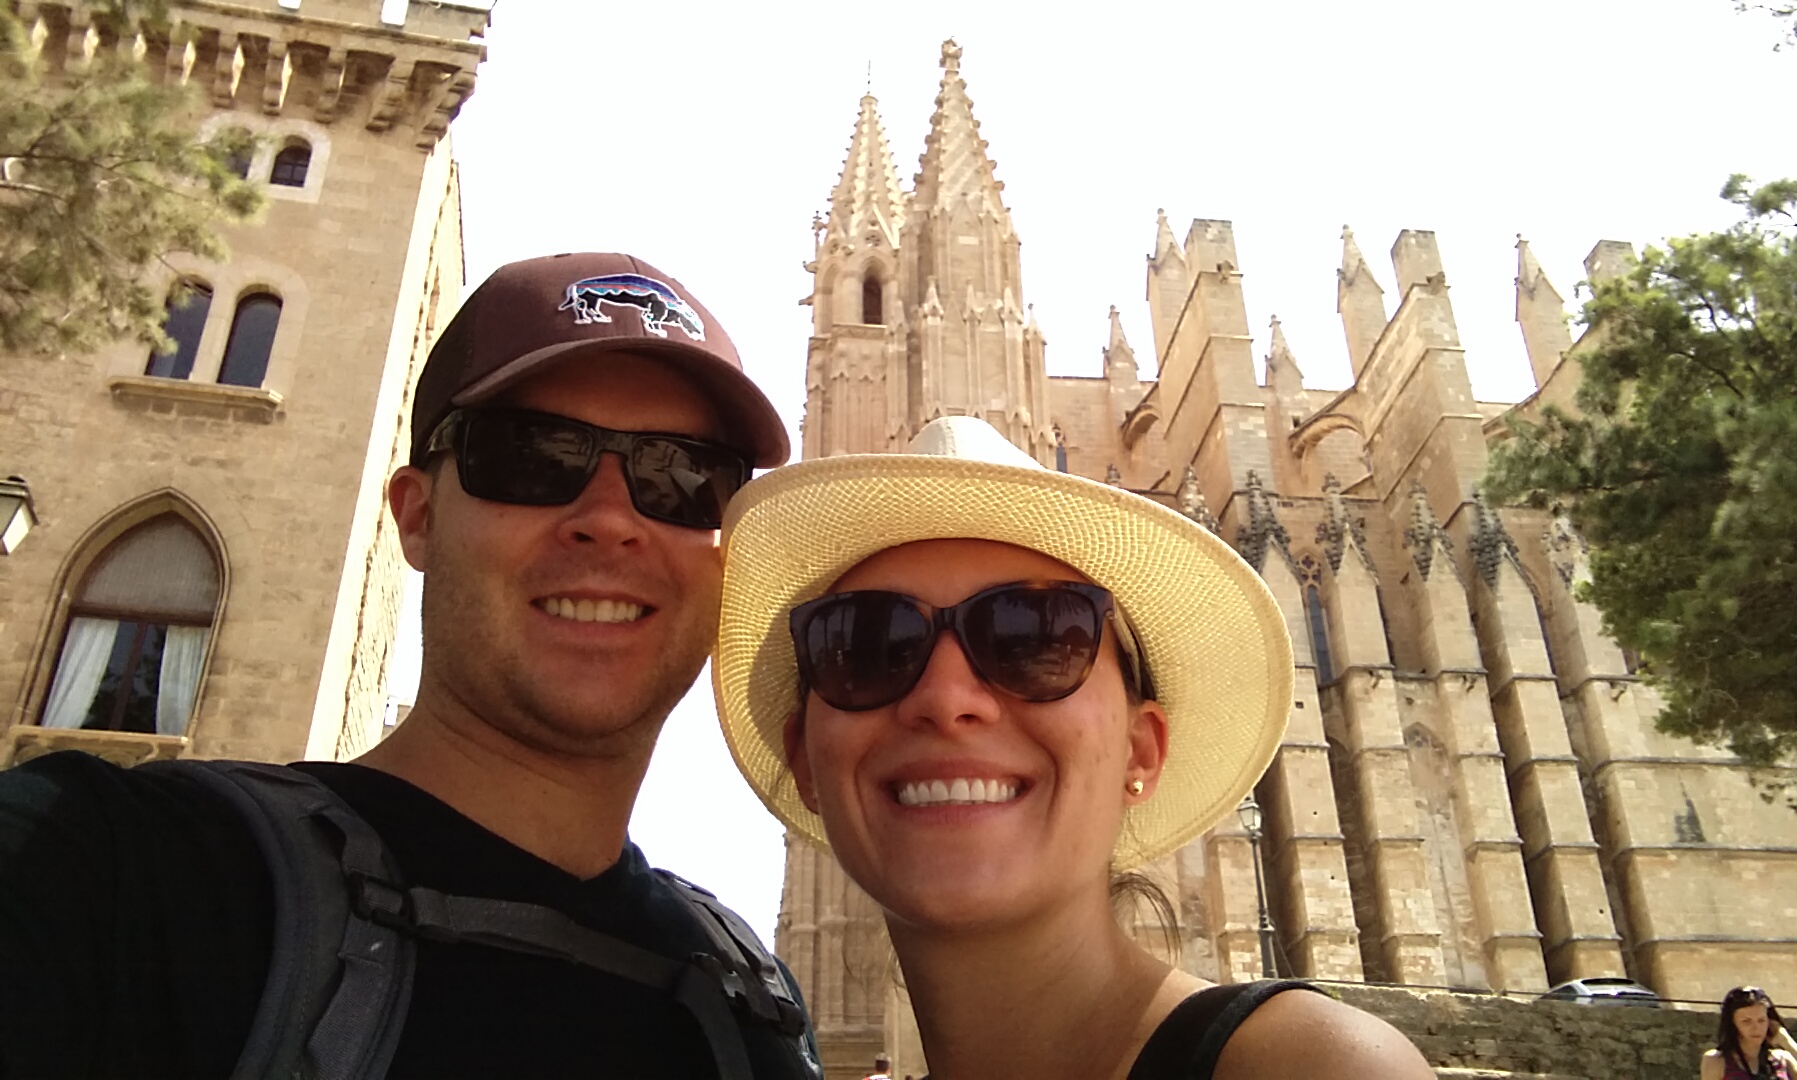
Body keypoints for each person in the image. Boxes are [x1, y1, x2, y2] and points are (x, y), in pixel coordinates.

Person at [0, 252, 818, 1079]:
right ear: (417, 516)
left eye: (683, 475)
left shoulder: (755, 1009)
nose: (609, 519)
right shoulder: (107, 876)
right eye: (534, 456)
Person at [713, 416, 1432, 1079]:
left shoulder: (1308, 1066)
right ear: (805, 759)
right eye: (867, 645)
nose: (946, 697)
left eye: (1034, 636)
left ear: (1140, 750)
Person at [1701, 985, 1797, 1080]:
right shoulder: (1717, 1061)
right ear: (1733, 1024)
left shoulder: (1782, 1060)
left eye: (1761, 1020)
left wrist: (1787, 1042)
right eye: (1746, 1022)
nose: (1756, 1028)